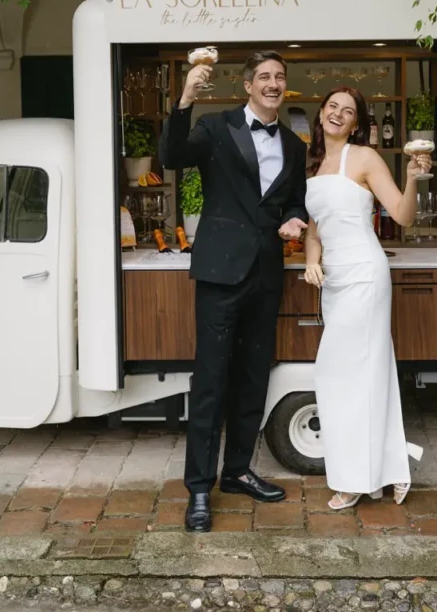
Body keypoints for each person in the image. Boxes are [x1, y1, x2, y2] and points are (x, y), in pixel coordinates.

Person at [160, 51, 308, 532]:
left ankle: (239, 469)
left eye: (279, 77)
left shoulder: (293, 143)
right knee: (211, 381)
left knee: (252, 377)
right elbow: (170, 157)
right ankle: (199, 489)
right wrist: (184, 98)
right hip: (221, 273)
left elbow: (295, 200)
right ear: (248, 85)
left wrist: (293, 219)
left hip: (266, 275)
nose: (272, 83)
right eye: (264, 77)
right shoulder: (216, 128)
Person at [303, 87, 429, 510]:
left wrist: (412, 178)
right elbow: (315, 229)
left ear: (357, 123)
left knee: (347, 374)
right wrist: (311, 261)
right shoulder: (312, 164)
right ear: (321, 113)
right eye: (333, 106)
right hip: (335, 282)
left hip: (365, 275)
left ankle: (358, 478)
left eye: (349, 111)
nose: (338, 114)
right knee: (356, 374)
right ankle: (389, 468)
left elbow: (403, 215)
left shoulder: (365, 158)